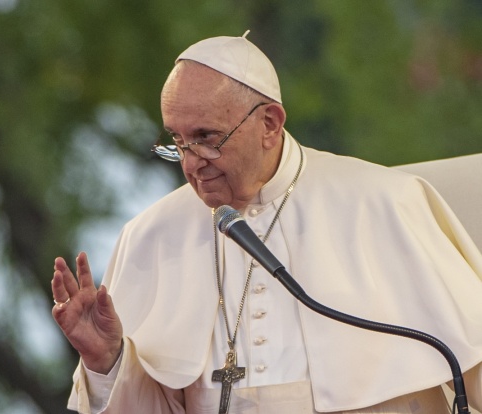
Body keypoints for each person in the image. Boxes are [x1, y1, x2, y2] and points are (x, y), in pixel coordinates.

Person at [51, 31, 482, 413]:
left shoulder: (383, 203)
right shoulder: (152, 236)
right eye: (177, 142)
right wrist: (107, 360)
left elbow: (471, 365)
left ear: (270, 124)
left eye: (206, 138)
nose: (191, 163)